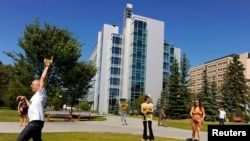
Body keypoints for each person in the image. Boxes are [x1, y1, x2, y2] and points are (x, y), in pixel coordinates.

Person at [16, 56, 53, 141]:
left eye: (32, 84)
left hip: (35, 122)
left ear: (38, 85)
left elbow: (43, 78)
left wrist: (47, 66)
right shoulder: (35, 96)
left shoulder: (41, 92)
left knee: (20, 140)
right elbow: (31, 105)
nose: (31, 85)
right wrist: (25, 98)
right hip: (35, 122)